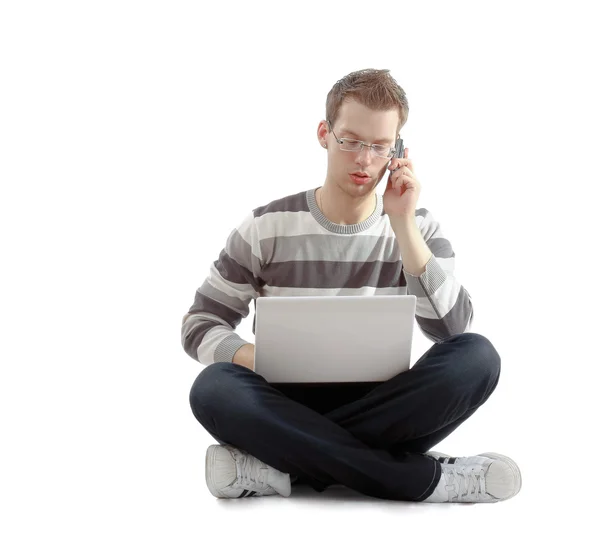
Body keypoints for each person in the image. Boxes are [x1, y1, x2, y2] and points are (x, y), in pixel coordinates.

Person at [181, 68, 521, 503]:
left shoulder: (417, 227)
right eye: (351, 141)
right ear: (325, 134)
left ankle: (280, 467)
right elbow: (200, 324)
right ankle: (421, 479)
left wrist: (402, 226)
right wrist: (258, 358)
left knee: (478, 357)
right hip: (284, 405)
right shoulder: (264, 227)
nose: (364, 159)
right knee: (213, 388)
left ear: (397, 151)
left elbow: (452, 332)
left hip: (386, 408)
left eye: (379, 146)